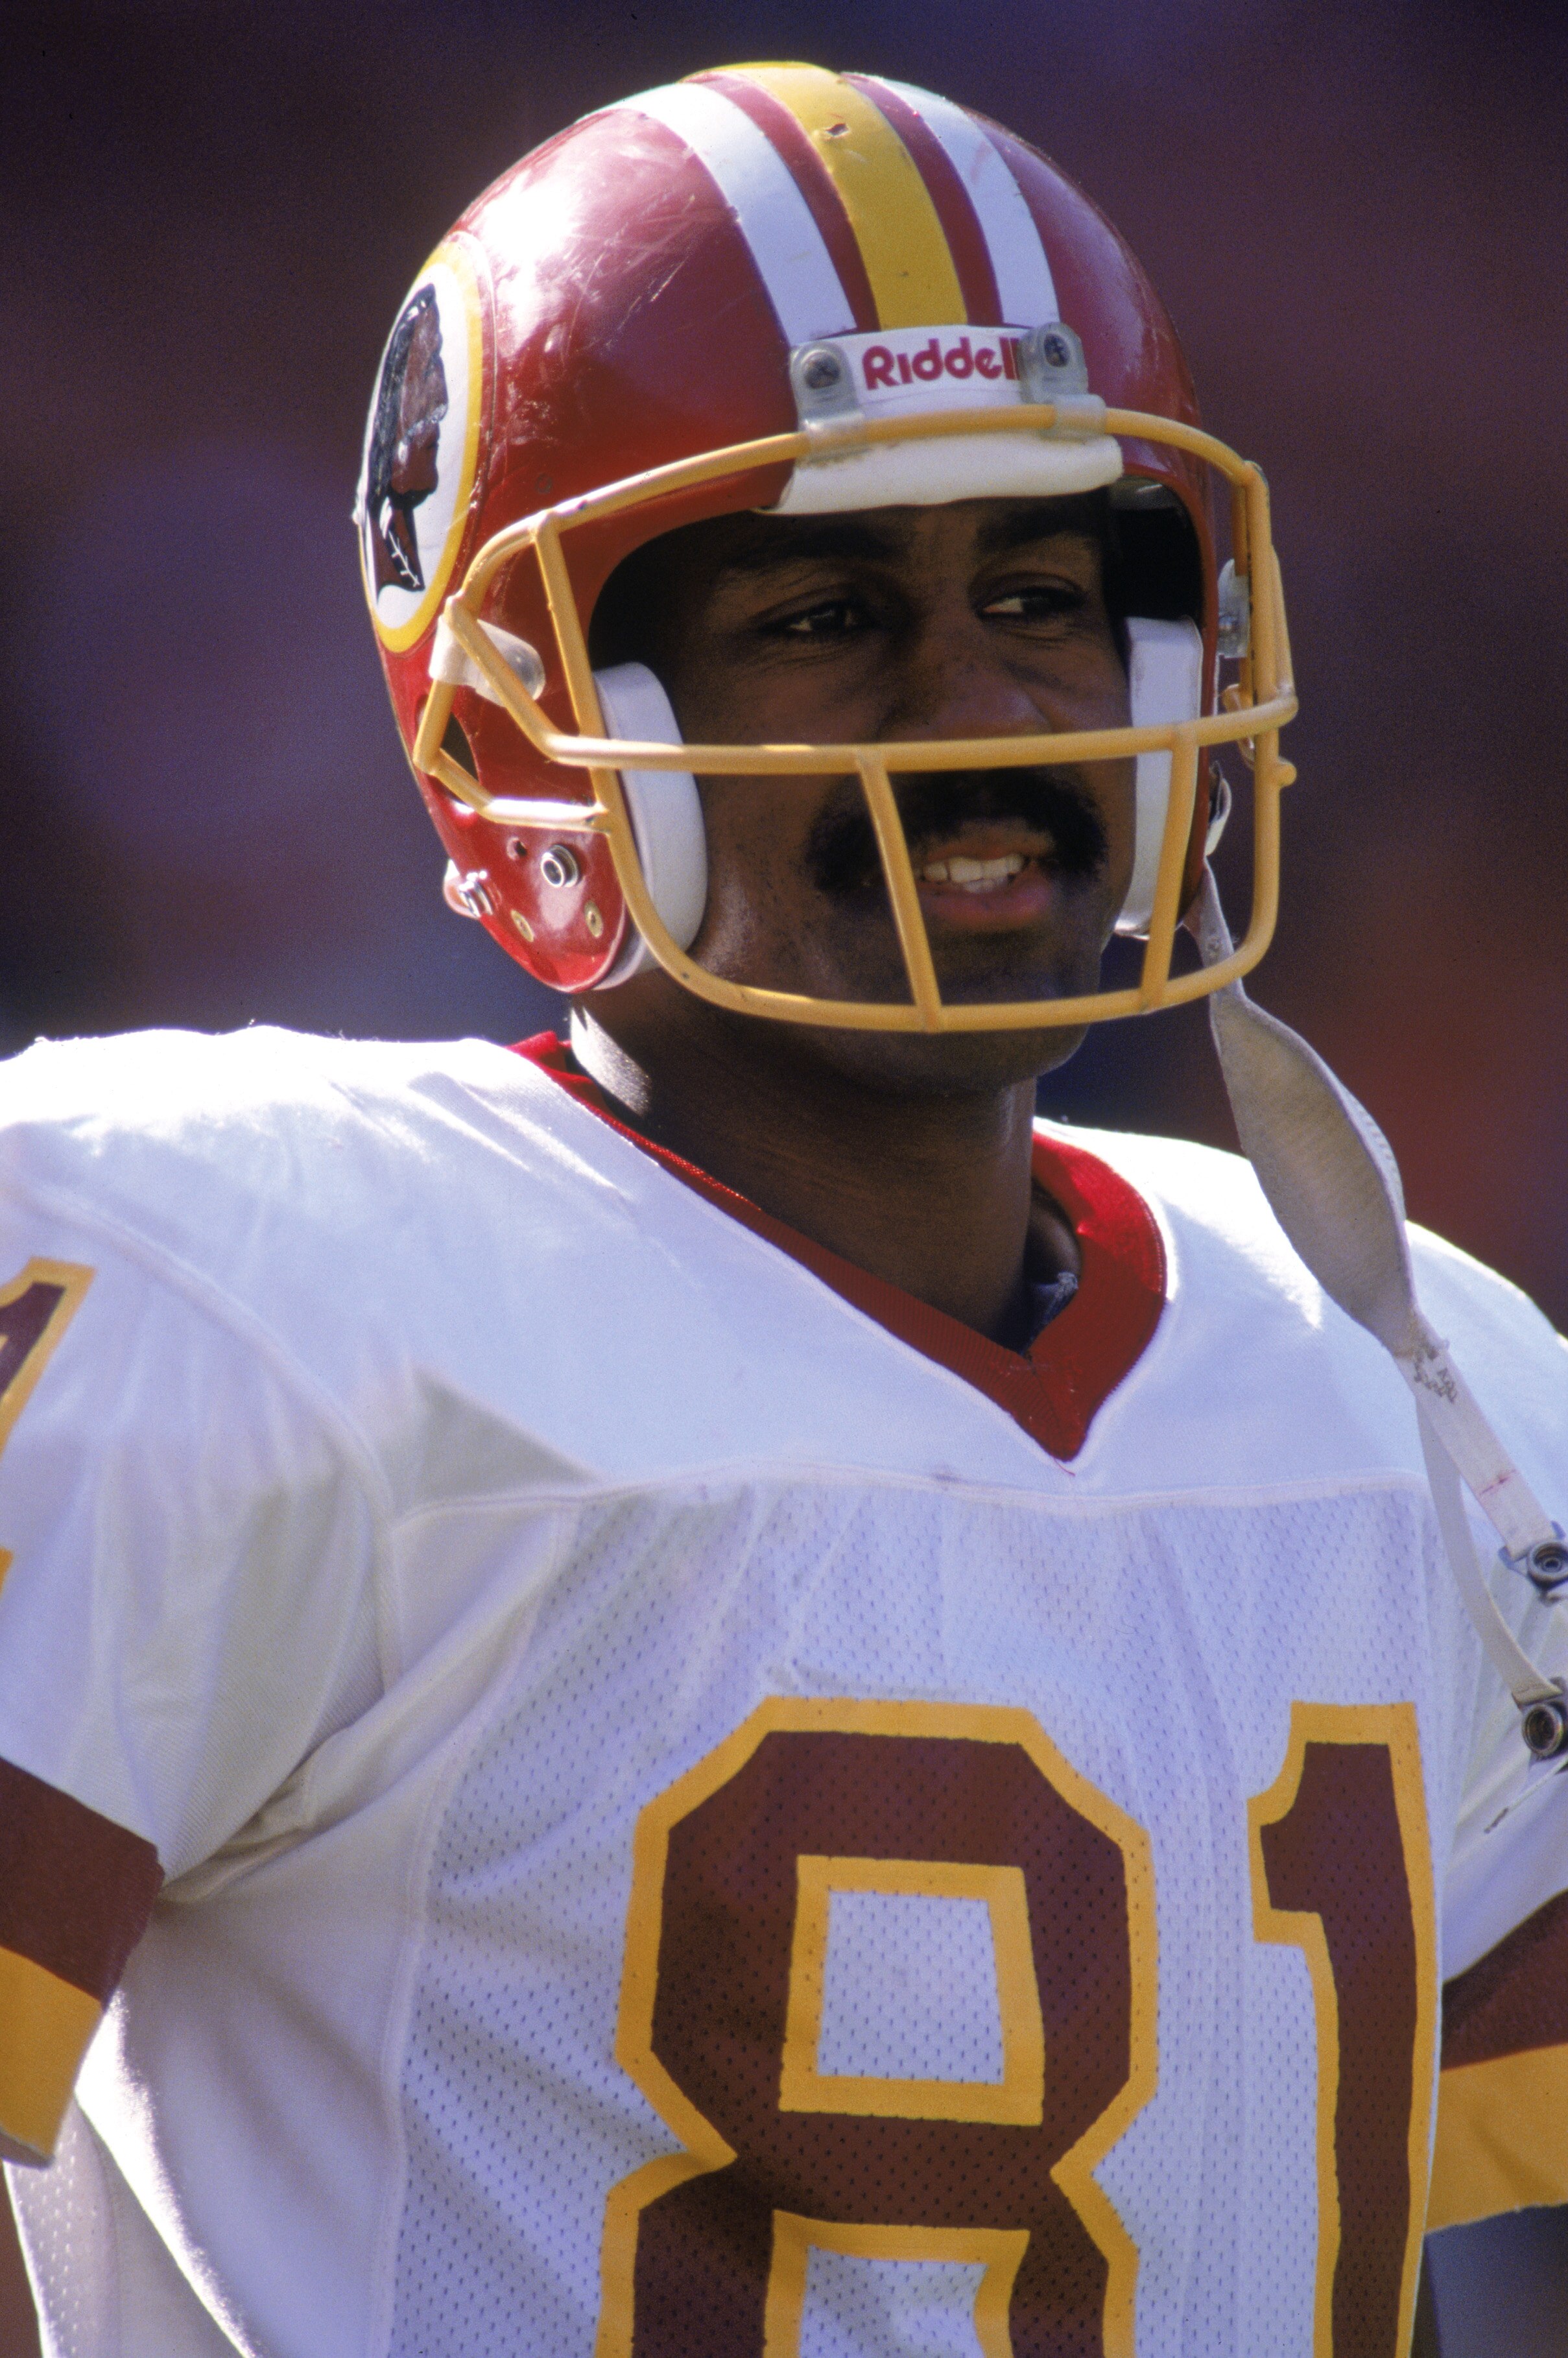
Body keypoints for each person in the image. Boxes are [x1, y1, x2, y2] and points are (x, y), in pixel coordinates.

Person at [1, 61, 1564, 2358]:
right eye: (823, 613)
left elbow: (1348, 2238)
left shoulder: (1408, 1351)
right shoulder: (227, 1281)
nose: (979, 704)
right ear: (525, 728)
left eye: (1044, 590)